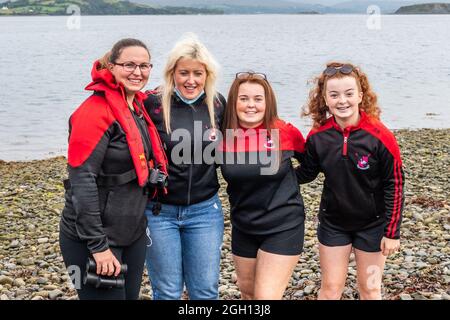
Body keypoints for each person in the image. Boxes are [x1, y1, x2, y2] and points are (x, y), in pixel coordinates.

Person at [59, 38, 168, 300]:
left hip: (132, 233)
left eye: (144, 65)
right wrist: (98, 246)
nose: (137, 72)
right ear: (111, 66)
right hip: (94, 239)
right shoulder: (93, 112)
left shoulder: (137, 107)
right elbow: (82, 181)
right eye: (129, 65)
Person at [297, 62, 404, 300]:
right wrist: (274, 169)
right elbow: (306, 173)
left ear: (360, 95)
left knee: (370, 289)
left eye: (349, 93)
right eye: (334, 95)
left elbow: (394, 184)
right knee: (331, 288)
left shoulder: (380, 136)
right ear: (325, 99)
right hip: (333, 224)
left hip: (373, 226)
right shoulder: (318, 136)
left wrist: (392, 232)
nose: (342, 101)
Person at [143, 34, 226, 300]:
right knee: (167, 292)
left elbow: (249, 130)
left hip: (205, 211)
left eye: (198, 73)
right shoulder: (153, 104)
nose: (191, 80)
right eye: (184, 73)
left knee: (205, 291)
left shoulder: (217, 104)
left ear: (207, 74)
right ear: (172, 73)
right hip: (159, 212)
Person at [218, 72, 306, 299]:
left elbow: (311, 165)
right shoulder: (224, 137)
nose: (250, 105)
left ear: (268, 103)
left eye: (258, 99)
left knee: (265, 297)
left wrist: (287, 185)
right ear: (234, 102)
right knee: (247, 292)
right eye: (243, 98)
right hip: (243, 225)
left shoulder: (284, 132)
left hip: (282, 225)